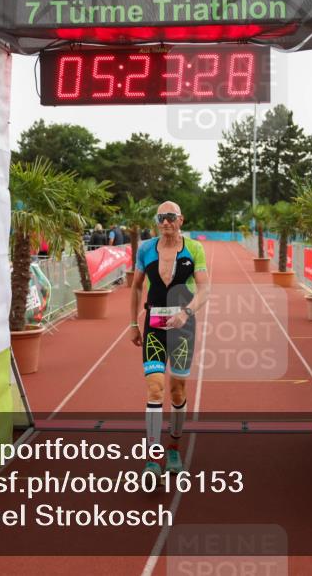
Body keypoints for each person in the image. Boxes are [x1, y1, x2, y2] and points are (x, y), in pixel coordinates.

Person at [130, 202, 209, 477]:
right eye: (161, 218)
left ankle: (173, 448)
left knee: (177, 391)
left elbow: (205, 289)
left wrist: (187, 313)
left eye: (170, 217)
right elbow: (136, 286)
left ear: (180, 219)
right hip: (154, 325)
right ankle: (152, 458)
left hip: (183, 327)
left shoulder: (194, 249)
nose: (165, 222)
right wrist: (132, 323)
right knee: (154, 389)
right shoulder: (145, 249)